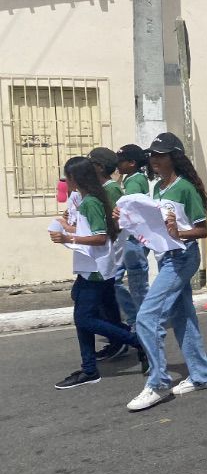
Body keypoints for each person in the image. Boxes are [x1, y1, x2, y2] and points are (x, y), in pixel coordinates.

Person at [126, 131, 207, 412]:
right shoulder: (157, 189)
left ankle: (159, 382)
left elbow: (202, 230)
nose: (154, 159)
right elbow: (153, 227)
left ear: (174, 158)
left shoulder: (184, 188)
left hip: (182, 257)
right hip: (166, 258)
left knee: (147, 317)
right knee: (183, 317)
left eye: (160, 155)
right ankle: (201, 376)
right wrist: (125, 219)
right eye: (152, 154)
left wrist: (179, 232)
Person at [49, 157, 136, 390]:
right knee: (82, 316)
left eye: (67, 177)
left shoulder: (91, 202)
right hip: (90, 268)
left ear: (76, 178)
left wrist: (68, 237)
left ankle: (137, 341)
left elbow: (100, 237)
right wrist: (67, 228)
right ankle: (89, 368)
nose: (66, 182)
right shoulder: (90, 200)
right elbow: (91, 230)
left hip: (95, 269)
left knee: (84, 319)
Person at [113, 143, 152, 325]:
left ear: (132, 163)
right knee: (116, 279)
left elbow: (130, 210)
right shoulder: (132, 179)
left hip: (134, 240)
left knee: (137, 284)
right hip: (130, 239)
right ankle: (136, 318)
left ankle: (141, 321)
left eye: (120, 161)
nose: (117, 165)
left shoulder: (135, 182)